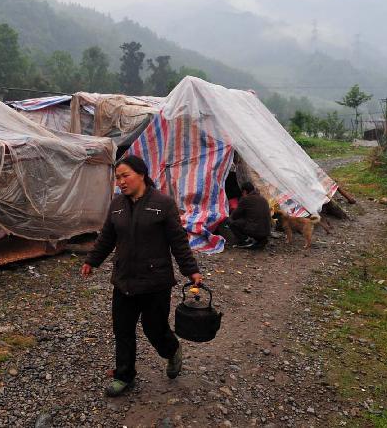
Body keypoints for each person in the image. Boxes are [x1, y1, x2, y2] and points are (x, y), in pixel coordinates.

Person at [81, 155, 203, 397]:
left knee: (154, 328)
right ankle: (124, 375)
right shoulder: (117, 204)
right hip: (124, 279)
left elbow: (178, 241)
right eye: (117, 178)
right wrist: (91, 261)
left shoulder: (163, 203)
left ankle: (171, 350)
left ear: (142, 174)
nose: (121, 182)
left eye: (125, 175)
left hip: (155, 282)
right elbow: (107, 237)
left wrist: (191, 271)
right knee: (123, 329)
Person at [216, 181, 270, 248]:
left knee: (230, 222)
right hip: (266, 231)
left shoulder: (245, 199)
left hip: (255, 230)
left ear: (244, 191)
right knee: (251, 221)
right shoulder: (263, 199)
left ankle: (245, 241)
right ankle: (261, 240)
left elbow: (235, 215)